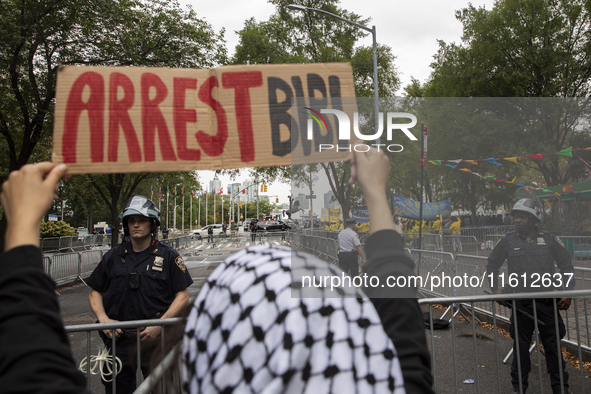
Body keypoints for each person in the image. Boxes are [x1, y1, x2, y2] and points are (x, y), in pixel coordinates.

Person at [87, 195, 193, 394]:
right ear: (126, 225)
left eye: (142, 220)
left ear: (152, 225)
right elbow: (94, 293)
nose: (136, 225)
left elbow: (182, 296)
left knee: (161, 390)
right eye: (131, 221)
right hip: (118, 343)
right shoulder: (112, 256)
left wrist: (159, 325)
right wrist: (103, 320)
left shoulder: (169, 256)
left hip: (155, 342)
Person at [486, 198, 574, 394]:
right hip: (520, 304)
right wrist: (495, 289)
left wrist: (567, 293)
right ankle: (519, 388)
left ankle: (561, 389)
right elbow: (492, 264)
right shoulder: (508, 240)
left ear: (534, 219)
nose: (518, 220)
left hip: (546, 304)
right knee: (521, 349)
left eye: (523, 216)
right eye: (517, 216)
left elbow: (566, 265)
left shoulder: (549, 239)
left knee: (553, 348)